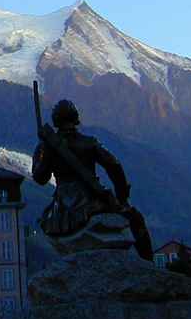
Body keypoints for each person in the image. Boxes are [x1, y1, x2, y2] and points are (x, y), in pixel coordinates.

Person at [33, 98, 153, 260]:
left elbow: (40, 178)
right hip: (89, 200)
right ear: (76, 119)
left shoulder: (47, 147)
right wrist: (122, 197)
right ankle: (148, 262)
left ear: (55, 121)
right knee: (135, 218)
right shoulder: (89, 143)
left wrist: (43, 152)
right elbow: (114, 165)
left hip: (61, 207)